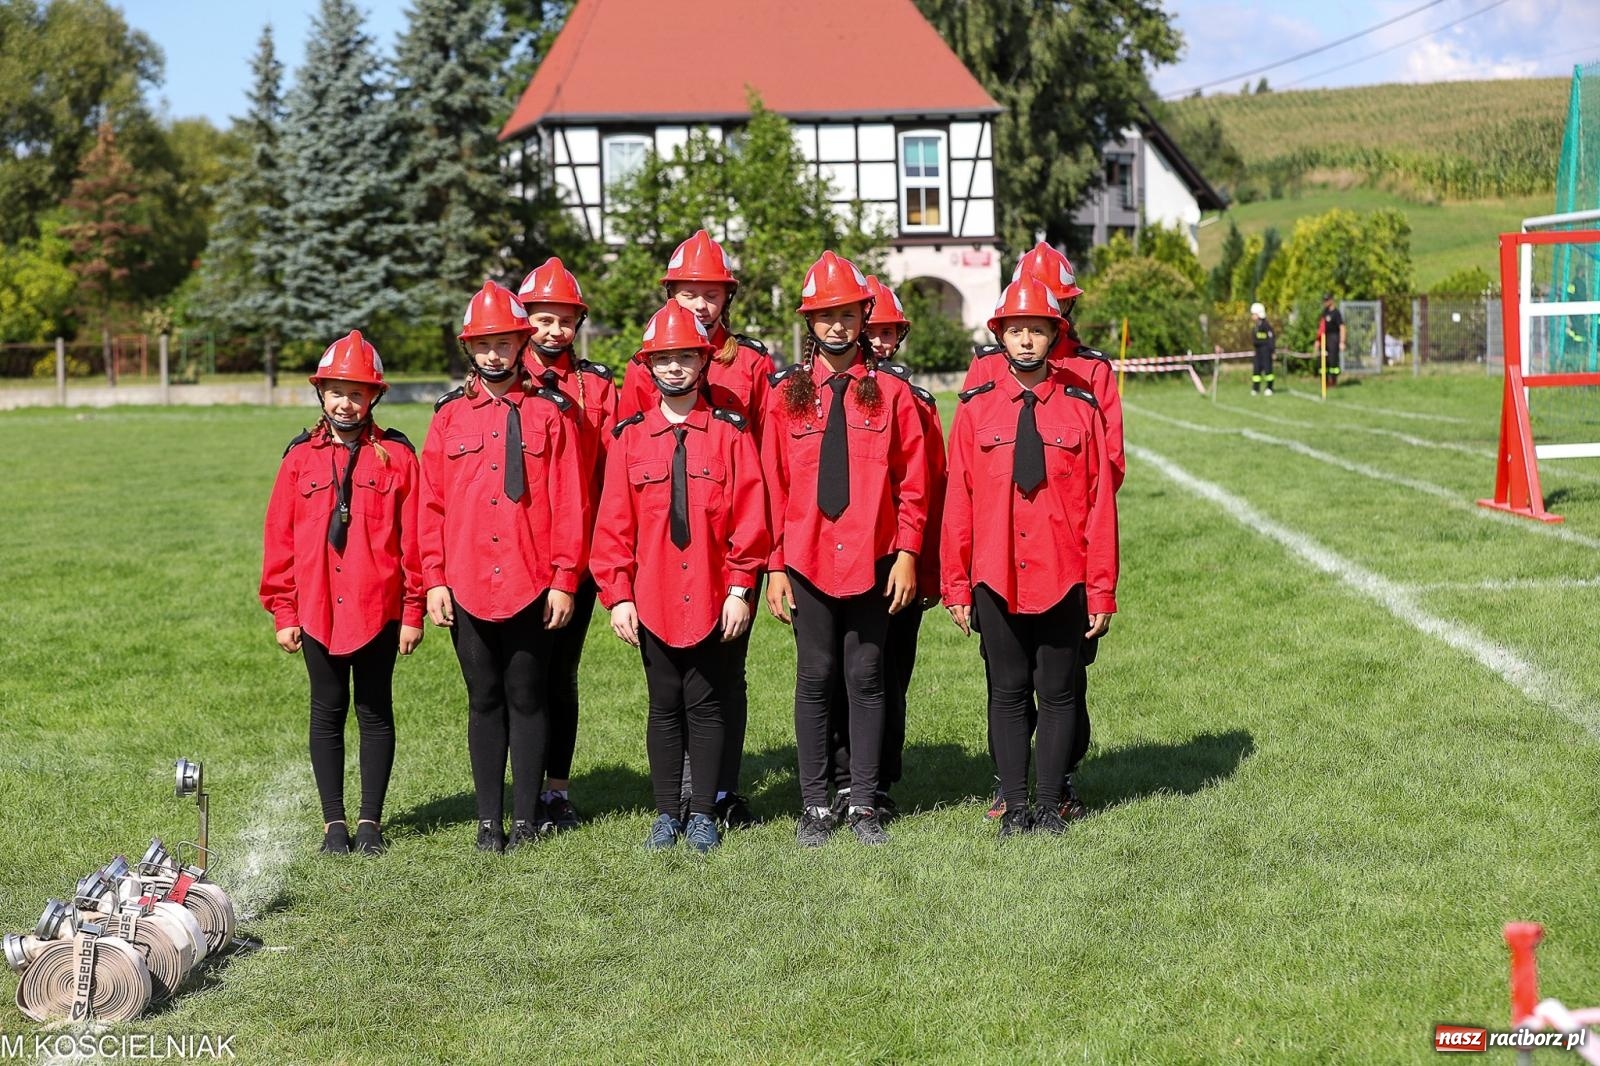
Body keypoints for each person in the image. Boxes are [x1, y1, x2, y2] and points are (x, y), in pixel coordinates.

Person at [941, 274, 1118, 837]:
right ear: (1001, 336)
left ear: (1053, 335)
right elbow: (958, 501)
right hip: (994, 574)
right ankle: (1014, 806)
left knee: (1060, 692)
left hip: (1063, 574)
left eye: (1037, 331)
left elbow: (1098, 507)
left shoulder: (1081, 409)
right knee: (1008, 691)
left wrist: (1101, 587)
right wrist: (955, 582)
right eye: (1015, 331)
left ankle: (1048, 804)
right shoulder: (974, 411)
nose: (1025, 341)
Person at [763, 251, 929, 847]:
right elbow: (772, 484)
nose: (837, 326)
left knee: (866, 675)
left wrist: (908, 552)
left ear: (865, 317)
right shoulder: (785, 395)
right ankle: (814, 805)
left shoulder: (892, 393)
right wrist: (775, 568)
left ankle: (862, 802)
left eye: (848, 314)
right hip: (806, 557)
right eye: (824, 315)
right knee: (816, 674)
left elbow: (914, 481)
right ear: (810, 322)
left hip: (875, 558)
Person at [591, 302, 769, 852]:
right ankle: (668, 812)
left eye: (684, 357)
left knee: (708, 703)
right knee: (663, 704)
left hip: (716, 593)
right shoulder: (629, 439)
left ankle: (704, 812)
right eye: (663, 359)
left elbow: (750, 518)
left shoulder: (730, 435)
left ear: (703, 361)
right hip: (654, 595)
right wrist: (617, 595)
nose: (673, 368)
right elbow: (613, 524)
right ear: (648, 367)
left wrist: (741, 589)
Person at [420, 281, 586, 853]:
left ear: (522, 343)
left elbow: (569, 502)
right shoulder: (447, 419)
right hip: (466, 582)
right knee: (483, 699)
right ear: (471, 348)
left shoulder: (551, 413)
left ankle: (526, 819)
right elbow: (431, 504)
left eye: (505, 342)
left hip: (530, 581)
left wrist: (565, 579)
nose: (494, 354)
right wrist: (435, 579)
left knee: (528, 696)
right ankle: (489, 819)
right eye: (484, 344)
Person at [261, 331, 424, 856]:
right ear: (321, 394)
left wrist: (414, 609)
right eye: (336, 391)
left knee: (375, 710)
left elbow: (414, 538)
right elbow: (279, 540)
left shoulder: (397, 456)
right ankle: (334, 822)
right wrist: (284, 609)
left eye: (357, 393)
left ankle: (371, 819)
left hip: (379, 609)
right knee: (327, 709)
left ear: (374, 396)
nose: (345, 403)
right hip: (315, 610)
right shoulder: (298, 460)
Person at [515, 257, 617, 833]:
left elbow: (615, 466)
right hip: (521, 545)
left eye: (565, 320)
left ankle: (556, 789)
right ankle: (517, 789)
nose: (554, 331)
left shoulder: (598, 384)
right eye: (543, 320)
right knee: (520, 678)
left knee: (562, 674)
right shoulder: (510, 382)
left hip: (578, 549)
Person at [1319, 292, 1345, 389]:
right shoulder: (1324, 312)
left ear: (1331, 300)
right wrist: (1318, 340)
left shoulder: (1336, 313)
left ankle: (1333, 381)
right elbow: (1321, 326)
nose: (1325, 302)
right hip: (1325, 337)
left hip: (1334, 338)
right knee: (1323, 360)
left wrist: (1342, 342)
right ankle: (1324, 382)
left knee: (1333, 361)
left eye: (1326, 300)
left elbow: (1342, 327)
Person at [1250, 302, 1276, 396]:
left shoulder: (1266, 325)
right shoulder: (1256, 326)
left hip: (1266, 350)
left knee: (1268, 370)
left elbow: (1271, 338)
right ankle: (1255, 388)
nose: (1252, 316)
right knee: (1256, 370)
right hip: (1258, 351)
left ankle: (1269, 387)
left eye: (1254, 314)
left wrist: (1272, 350)